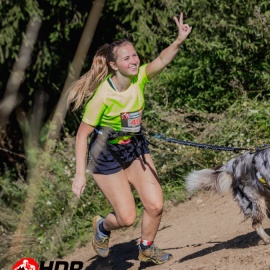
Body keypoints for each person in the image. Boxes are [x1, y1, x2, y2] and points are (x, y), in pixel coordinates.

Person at [67, 13, 192, 265]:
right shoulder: (102, 97)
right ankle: (103, 226)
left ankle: (146, 248)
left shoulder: (139, 78)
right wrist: (80, 174)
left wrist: (179, 40)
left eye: (134, 55)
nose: (134, 60)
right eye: (127, 58)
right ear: (114, 65)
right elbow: (82, 135)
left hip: (133, 148)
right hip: (105, 155)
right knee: (125, 218)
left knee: (155, 205)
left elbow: (161, 59)